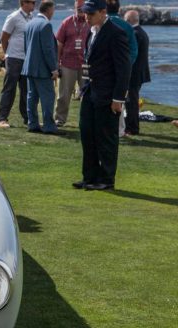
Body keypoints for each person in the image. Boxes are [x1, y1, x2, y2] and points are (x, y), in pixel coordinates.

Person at [74, 0, 131, 191]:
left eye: (90, 14)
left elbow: (124, 69)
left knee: (106, 137)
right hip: (91, 91)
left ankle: (106, 179)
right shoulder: (91, 32)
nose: (86, 17)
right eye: (85, 14)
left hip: (108, 95)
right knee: (87, 133)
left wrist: (118, 99)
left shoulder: (116, 33)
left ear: (102, 12)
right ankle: (89, 176)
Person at [22, 0, 63, 135]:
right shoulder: (46, 25)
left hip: (29, 67)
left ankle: (32, 123)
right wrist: (54, 69)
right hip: (42, 69)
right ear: (49, 10)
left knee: (31, 97)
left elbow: (26, 47)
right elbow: (48, 50)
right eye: (53, 10)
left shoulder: (29, 24)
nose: (53, 12)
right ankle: (48, 125)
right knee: (48, 97)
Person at [0, 0, 35, 129]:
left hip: (27, 59)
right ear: (24, 3)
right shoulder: (13, 17)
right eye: (32, 2)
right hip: (14, 58)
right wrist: (7, 53)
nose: (34, 5)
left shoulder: (31, 18)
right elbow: (4, 37)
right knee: (9, 89)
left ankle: (28, 118)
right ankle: (2, 119)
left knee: (26, 90)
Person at [54, 0, 89, 127]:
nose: (80, 9)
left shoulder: (90, 22)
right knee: (63, 94)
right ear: (74, 8)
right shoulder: (67, 22)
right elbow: (59, 44)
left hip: (85, 64)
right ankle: (59, 119)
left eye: (82, 7)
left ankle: (86, 120)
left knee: (86, 95)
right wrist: (57, 63)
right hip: (68, 63)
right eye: (78, 7)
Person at [107, 0, 137, 136]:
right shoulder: (127, 27)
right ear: (119, 9)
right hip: (120, 69)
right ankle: (119, 130)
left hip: (103, 70)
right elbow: (134, 51)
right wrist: (126, 65)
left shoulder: (100, 25)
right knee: (119, 99)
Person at [124, 10, 150, 136]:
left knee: (131, 102)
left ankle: (132, 128)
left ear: (129, 20)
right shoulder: (141, 32)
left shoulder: (134, 34)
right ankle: (131, 126)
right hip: (139, 73)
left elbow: (131, 55)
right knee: (132, 101)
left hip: (134, 74)